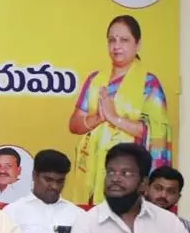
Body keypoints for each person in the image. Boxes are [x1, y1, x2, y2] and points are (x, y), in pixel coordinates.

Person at [69, 15, 170, 205]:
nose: (117, 46)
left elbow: (157, 132)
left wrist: (115, 118)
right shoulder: (95, 81)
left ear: (137, 44)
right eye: (112, 40)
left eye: (124, 40)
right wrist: (98, 117)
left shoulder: (149, 84)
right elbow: (74, 125)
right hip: (95, 169)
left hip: (132, 174)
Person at [145, 166, 190, 232]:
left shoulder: (185, 228)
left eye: (171, 191)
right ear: (146, 189)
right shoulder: (129, 222)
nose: (163, 195)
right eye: (158, 188)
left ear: (178, 198)